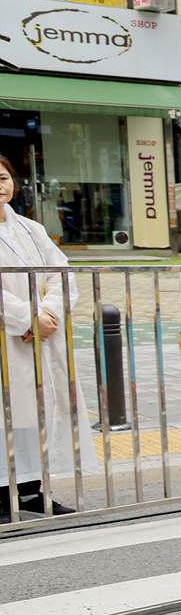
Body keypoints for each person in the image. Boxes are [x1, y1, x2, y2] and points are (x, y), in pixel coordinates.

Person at [0, 159, 86, 519]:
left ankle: (32, 491)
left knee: (32, 413)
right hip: (8, 336)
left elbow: (61, 274)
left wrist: (47, 314)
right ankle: (3, 496)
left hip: (39, 337)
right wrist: (25, 318)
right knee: (5, 413)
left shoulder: (31, 229)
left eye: (2, 177)